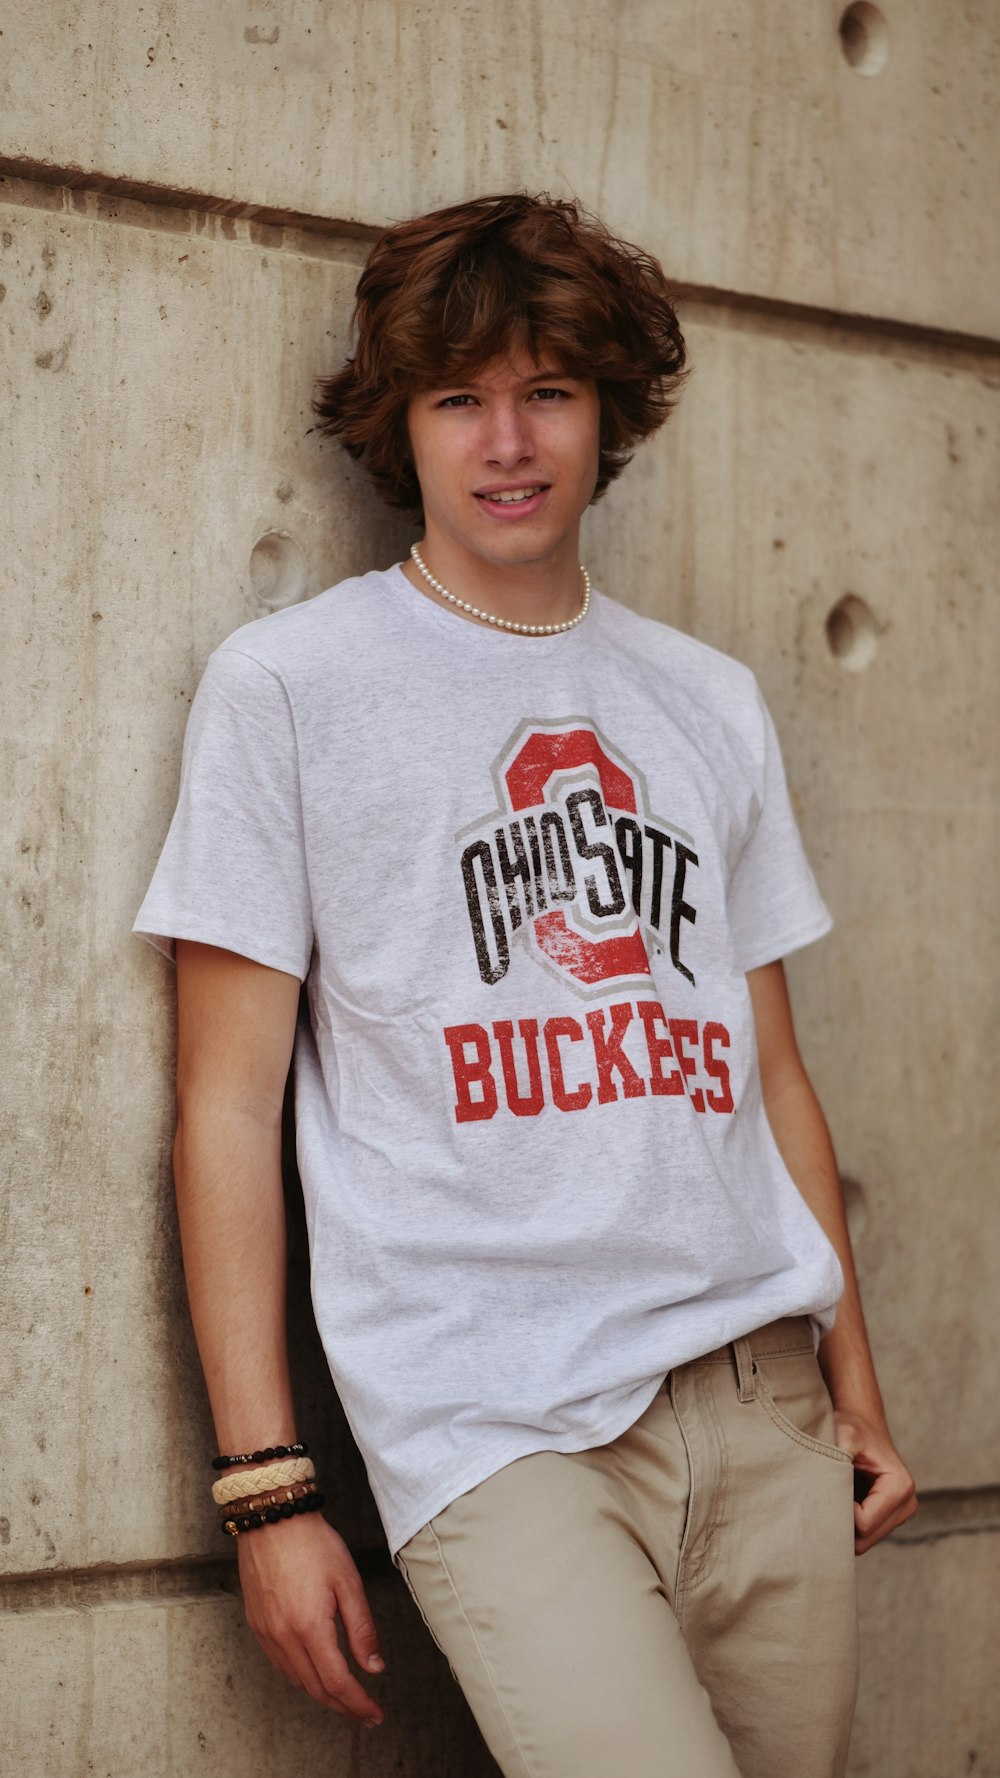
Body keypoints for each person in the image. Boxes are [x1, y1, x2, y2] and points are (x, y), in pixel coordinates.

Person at [134, 192, 916, 1777]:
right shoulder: (292, 689)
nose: (507, 439)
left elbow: (768, 1070)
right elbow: (225, 1107)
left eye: (548, 389)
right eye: (459, 397)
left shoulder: (706, 702)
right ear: (400, 423)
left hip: (764, 1408)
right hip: (500, 1428)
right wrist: (267, 1488)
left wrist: (855, 1382)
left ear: (607, 413)